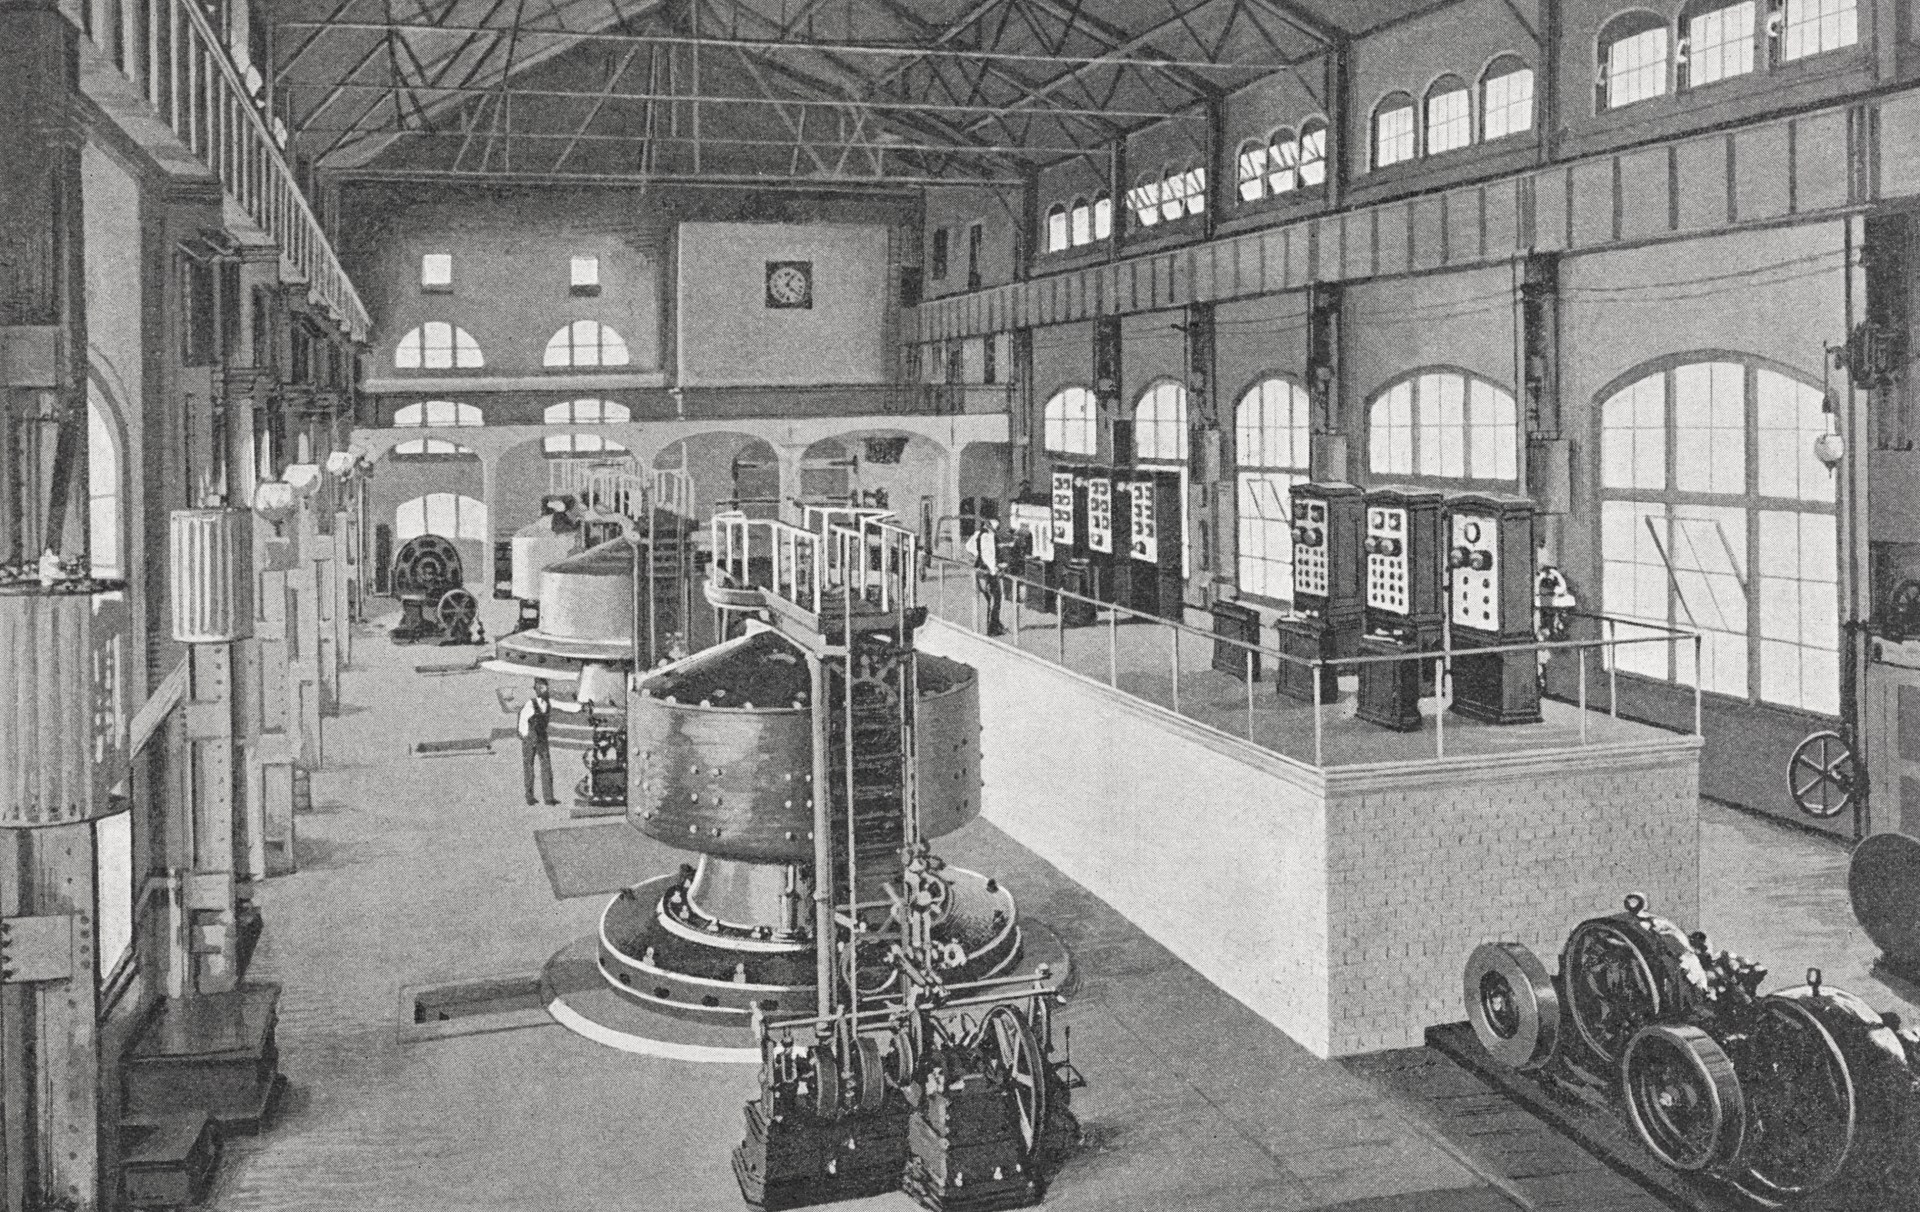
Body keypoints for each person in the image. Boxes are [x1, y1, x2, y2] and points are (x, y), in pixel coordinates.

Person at [519, 679, 559, 805]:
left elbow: (564, 706)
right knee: (529, 767)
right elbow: (522, 720)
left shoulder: (549, 702)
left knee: (546, 766)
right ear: (536, 689)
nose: (543, 690)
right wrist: (525, 735)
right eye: (540, 688)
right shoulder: (530, 704)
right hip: (530, 739)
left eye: (545, 688)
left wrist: (580, 706)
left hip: (542, 738)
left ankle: (548, 798)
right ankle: (529, 796)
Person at [967, 518, 1005, 637]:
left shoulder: (978, 534)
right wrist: (995, 569)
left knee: (988, 598)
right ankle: (992, 627)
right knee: (996, 597)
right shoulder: (988, 537)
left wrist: (977, 555)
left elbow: (969, 546)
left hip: (979, 569)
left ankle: (992, 624)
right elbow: (989, 555)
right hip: (987, 572)